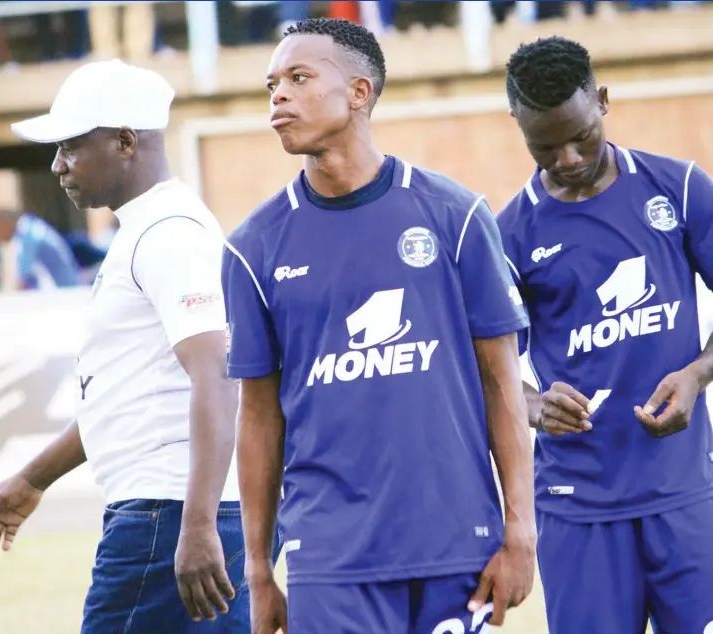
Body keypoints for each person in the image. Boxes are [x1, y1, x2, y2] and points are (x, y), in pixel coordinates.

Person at [222, 17, 536, 634]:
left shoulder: (456, 216)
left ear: (360, 92)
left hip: (456, 545)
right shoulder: (252, 249)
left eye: (299, 77)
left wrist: (520, 529)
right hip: (329, 557)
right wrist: (258, 570)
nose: (277, 95)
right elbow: (257, 416)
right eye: (271, 84)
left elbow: (502, 383)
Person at [0, 59, 280, 633]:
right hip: (172, 511)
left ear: (125, 141)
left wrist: (196, 525)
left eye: (70, 146)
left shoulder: (168, 234)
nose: (56, 165)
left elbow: (219, 375)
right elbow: (129, 396)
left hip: (167, 514)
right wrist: (32, 479)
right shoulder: (147, 230)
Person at [497, 35, 713, 634]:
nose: (566, 158)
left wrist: (698, 373)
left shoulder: (680, 188)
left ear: (603, 101)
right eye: (545, 146)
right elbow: (481, 373)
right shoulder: (508, 236)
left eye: (580, 137)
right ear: (518, 126)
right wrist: (534, 405)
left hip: (684, 494)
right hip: (577, 508)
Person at [0, 208, 82, 290]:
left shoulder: (29, 234)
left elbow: (25, 276)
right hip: (68, 286)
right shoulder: (31, 226)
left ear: (3, 223)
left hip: (67, 290)